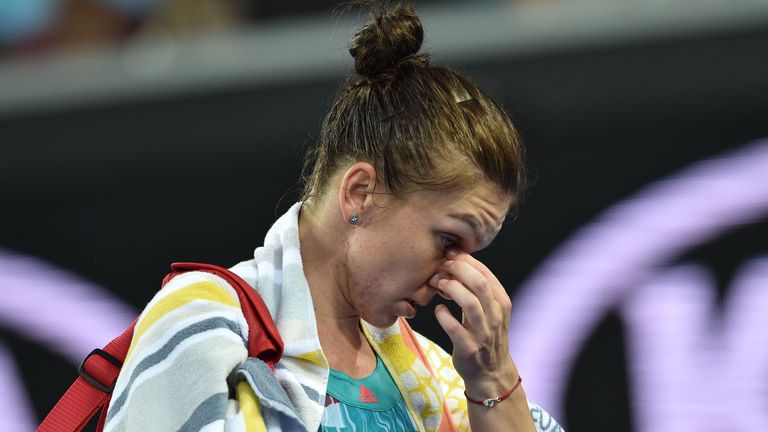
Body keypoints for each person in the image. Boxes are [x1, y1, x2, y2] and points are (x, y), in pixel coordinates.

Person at [104, 3, 564, 431]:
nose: (458, 277)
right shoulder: (203, 319)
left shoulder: (440, 378)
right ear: (360, 193)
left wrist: (492, 379)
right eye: (448, 241)